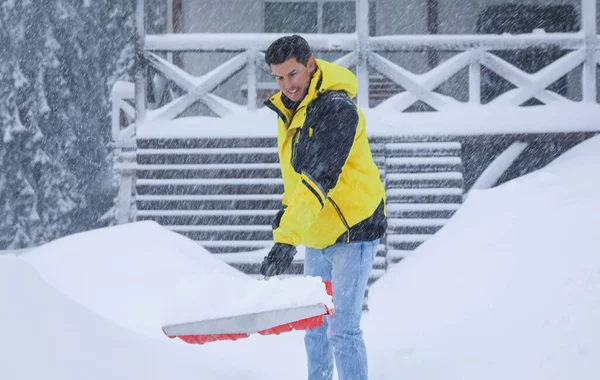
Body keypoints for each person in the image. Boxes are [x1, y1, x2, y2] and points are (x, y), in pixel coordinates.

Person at [259, 35, 387, 380]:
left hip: (354, 228)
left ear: (311, 64)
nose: (287, 85)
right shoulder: (292, 108)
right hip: (318, 230)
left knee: (341, 330)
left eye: (293, 74)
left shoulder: (337, 109)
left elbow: (318, 177)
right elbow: (296, 178)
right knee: (314, 326)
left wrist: (287, 239)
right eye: (279, 77)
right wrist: (287, 217)